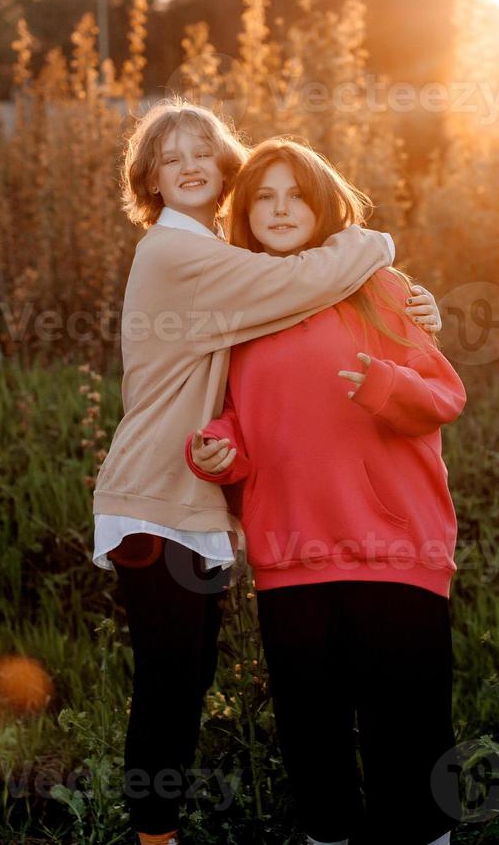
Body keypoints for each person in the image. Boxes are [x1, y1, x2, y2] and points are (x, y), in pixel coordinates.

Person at [92, 102, 442, 845]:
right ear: (149, 178)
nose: (188, 165)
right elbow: (297, 282)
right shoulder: (173, 252)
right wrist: (373, 243)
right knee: (169, 681)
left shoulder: (213, 259)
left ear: (223, 171)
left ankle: (159, 830)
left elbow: (284, 343)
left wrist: (410, 309)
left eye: (203, 154)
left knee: (188, 677)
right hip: (155, 494)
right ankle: (153, 837)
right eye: (168, 156)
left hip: (190, 497)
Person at [186, 136, 465, 845]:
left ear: (322, 204)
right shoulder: (245, 308)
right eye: (264, 198)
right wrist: (219, 450)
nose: (280, 210)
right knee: (314, 745)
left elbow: (443, 395)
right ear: (244, 215)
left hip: (394, 547)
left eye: (295, 195)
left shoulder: (379, 288)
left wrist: (384, 384)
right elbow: (240, 420)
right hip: (291, 554)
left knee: (408, 736)